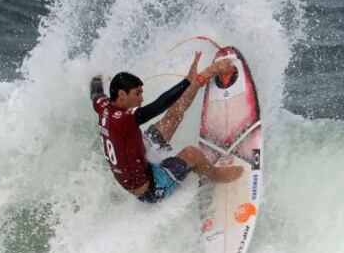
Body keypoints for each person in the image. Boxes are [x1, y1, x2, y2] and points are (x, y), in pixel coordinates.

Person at [90, 52, 243, 203]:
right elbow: (158, 105)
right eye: (137, 94)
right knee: (192, 154)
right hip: (150, 187)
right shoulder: (124, 119)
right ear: (122, 94)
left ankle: (198, 82)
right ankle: (216, 175)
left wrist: (96, 77)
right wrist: (188, 81)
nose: (141, 99)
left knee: (173, 115)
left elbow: (95, 94)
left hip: (142, 160)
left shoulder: (104, 106)